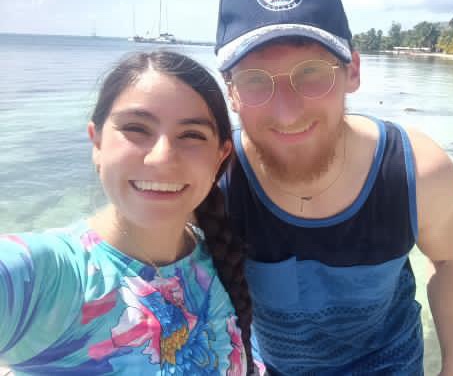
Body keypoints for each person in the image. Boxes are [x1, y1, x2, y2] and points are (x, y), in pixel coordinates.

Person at [215, 0, 453, 375]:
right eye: (255, 79)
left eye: (311, 72)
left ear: (352, 71)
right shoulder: (215, 180)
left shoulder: (417, 173)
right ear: (230, 91)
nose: (287, 113)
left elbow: (451, 261)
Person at [0, 51, 259, 375]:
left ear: (221, 156)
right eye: (136, 128)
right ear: (97, 143)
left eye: (192, 135)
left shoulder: (220, 256)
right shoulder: (47, 276)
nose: (161, 157)